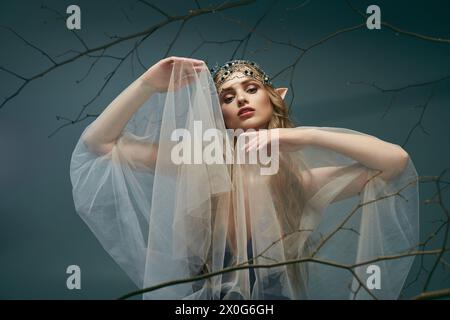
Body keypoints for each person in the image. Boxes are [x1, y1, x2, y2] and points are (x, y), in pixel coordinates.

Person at [70, 57, 419, 299]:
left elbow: (395, 161)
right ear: (215, 112)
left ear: (275, 97)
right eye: (227, 97)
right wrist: (146, 84)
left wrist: (303, 137)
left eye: (251, 89)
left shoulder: (300, 183)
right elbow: (97, 144)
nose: (241, 100)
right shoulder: (195, 163)